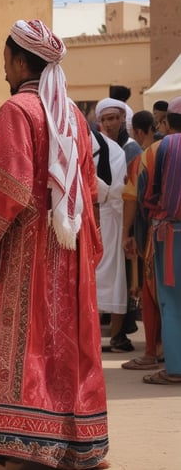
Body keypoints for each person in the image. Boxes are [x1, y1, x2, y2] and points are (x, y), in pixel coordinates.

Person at [0, 20, 108, 470]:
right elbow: (88, 191)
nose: (4, 70)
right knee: (68, 341)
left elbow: (8, 184)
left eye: (6, 61)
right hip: (71, 247)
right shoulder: (74, 118)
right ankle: (74, 443)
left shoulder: (19, 110)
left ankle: (12, 442)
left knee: (23, 336)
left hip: (29, 246)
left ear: (21, 61)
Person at [141, 96, 181, 385]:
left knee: (171, 301)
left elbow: (151, 191)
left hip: (170, 235)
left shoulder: (164, 146)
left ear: (168, 122)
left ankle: (175, 368)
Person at [121, 110, 164, 370]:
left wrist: (127, 233)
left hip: (154, 234)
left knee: (152, 295)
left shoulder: (144, 158)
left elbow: (131, 199)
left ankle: (152, 351)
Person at [93, 98, 135, 352]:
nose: (110, 123)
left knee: (116, 275)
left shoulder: (125, 150)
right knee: (95, 275)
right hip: (97, 217)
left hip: (116, 219)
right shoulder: (98, 145)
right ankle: (93, 336)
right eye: (106, 119)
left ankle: (117, 335)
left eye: (114, 118)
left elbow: (123, 191)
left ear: (122, 120)